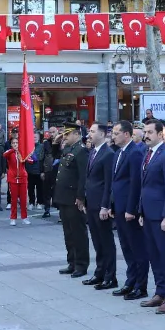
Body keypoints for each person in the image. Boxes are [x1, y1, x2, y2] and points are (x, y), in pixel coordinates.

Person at [139, 119, 165, 314]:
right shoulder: (147, 154)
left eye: (149, 132)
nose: (146, 135)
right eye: (144, 132)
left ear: (160, 134)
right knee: (153, 255)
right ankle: (160, 292)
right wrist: (140, 211)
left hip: (161, 217)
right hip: (147, 214)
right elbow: (144, 186)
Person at [110, 120, 149, 300]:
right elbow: (115, 182)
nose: (113, 136)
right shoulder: (118, 153)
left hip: (129, 209)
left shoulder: (134, 153)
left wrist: (131, 209)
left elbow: (135, 183)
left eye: (117, 133)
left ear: (127, 134)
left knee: (137, 248)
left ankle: (141, 286)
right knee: (126, 247)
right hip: (118, 207)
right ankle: (130, 281)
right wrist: (112, 205)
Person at [54, 122, 90, 277]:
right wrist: (56, 143)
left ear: (76, 134)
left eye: (67, 134)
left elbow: (83, 177)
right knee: (68, 233)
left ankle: (81, 265)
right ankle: (72, 262)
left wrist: (81, 197)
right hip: (64, 197)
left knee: (78, 233)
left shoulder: (81, 151)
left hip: (74, 198)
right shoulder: (69, 149)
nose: (64, 137)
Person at [83, 123, 117, 290]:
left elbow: (108, 183)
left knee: (106, 241)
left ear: (102, 134)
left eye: (92, 131)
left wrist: (105, 206)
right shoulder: (93, 152)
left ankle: (111, 276)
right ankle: (99, 273)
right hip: (91, 203)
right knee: (97, 241)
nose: (89, 134)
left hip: (101, 205)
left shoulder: (108, 154)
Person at [4, 136, 32, 226]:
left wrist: (23, 155)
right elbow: (4, 155)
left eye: (17, 143)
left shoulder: (23, 152)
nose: (15, 144)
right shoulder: (9, 152)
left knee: (23, 200)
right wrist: (14, 150)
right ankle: (13, 218)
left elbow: (31, 161)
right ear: (11, 144)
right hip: (13, 179)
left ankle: (24, 217)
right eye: (13, 143)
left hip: (23, 178)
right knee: (14, 200)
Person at [38, 135, 56, 218]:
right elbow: (41, 158)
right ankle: (47, 210)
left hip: (57, 172)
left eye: (54, 132)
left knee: (56, 192)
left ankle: (60, 212)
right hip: (47, 171)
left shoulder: (61, 143)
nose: (52, 134)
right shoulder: (45, 144)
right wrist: (41, 171)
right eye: (50, 132)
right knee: (46, 192)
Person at [26, 136, 43, 211]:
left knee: (39, 188)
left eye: (36, 137)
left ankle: (39, 202)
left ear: (39, 138)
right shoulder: (28, 147)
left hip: (39, 171)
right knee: (30, 188)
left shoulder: (42, 146)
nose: (34, 138)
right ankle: (31, 202)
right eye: (33, 137)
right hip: (30, 171)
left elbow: (42, 158)